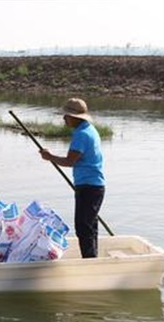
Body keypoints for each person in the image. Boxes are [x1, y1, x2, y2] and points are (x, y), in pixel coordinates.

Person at [39, 98, 105, 258]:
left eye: (66, 116)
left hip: (89, 187)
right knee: (89, 225)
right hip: (92, 185)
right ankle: (92, 258)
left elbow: (70, 161)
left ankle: (90, 262)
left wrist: (50, 157)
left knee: (83, 226)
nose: (64, 118)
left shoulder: (82, 134)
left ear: (76, 117)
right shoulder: (89, 129)